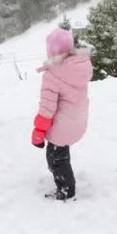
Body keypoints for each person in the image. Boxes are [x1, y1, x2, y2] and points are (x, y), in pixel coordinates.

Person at [31, 28, 93, 201]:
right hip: (78, 120)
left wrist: (38, 132)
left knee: (56, 158)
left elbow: (47, 109)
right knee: (59, 152)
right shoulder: (79, 66)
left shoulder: (53, 74)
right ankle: (62, 176)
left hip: (63, 125)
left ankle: (67, 189)